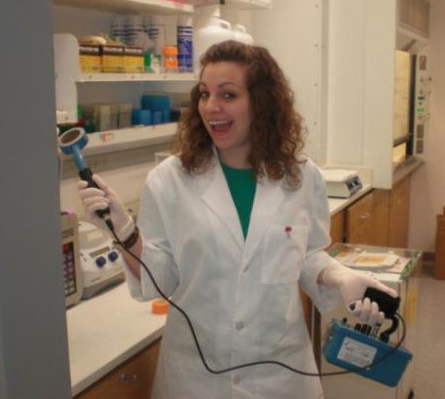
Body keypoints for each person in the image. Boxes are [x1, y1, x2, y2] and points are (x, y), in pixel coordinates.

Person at [78, 40, 397, 399]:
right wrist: (125, 232)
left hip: (278, 369)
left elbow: (306, 254)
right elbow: (162, 278)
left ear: (261, 103)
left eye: (228, 95)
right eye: (204, 94)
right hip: (197, 375)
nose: (211, 106)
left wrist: (339, 276)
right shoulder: (169, 180)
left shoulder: (301, 177)